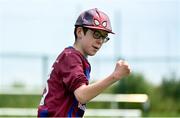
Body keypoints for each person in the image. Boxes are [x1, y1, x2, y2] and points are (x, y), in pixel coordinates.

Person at [37, 8, 131, 117]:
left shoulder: (77, 59)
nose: (100, 41)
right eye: (96, 34)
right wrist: (115, 76)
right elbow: (82, 95)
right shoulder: (71, 57)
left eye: (104, 36)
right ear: (80, 32)